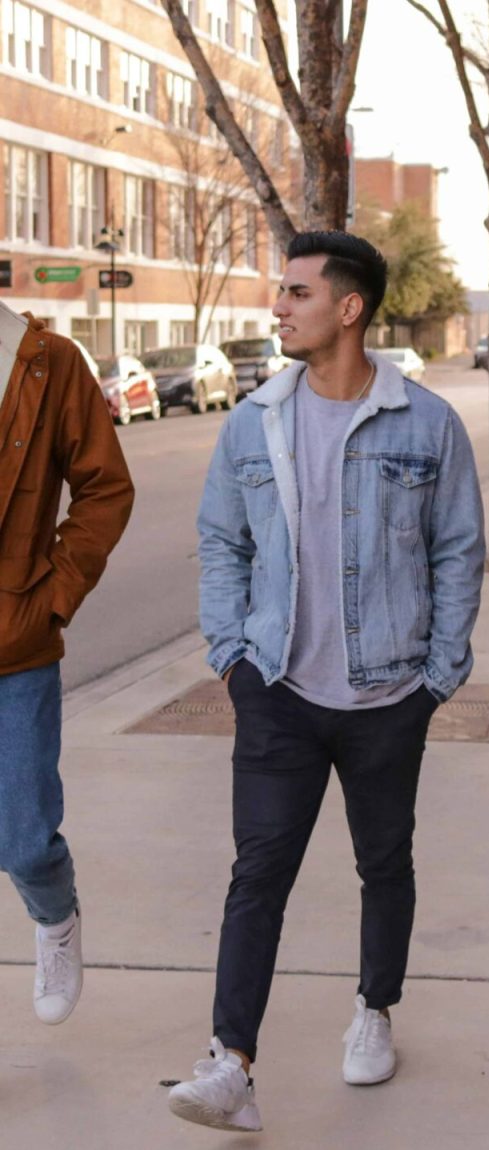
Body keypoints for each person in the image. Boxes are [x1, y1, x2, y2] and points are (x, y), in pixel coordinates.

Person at [169, 231, 485, 1132]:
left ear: (348, 309)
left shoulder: (426, 424)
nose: (279, 307)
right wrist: (232, 657)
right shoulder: (252, 419)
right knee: (258, 871)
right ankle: (231, 1063)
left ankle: (374, 1011)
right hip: (277, 690)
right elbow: (223, 543)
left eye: (297, 293)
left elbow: (458, 549)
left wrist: (438, 676)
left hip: (390, 696)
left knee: (383, 862)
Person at [0, 304, 134, 1026]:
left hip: (13, 643)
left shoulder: (49, 362)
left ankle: (56, 919)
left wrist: (55, 595)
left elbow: (106, 487)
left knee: (22, 838)